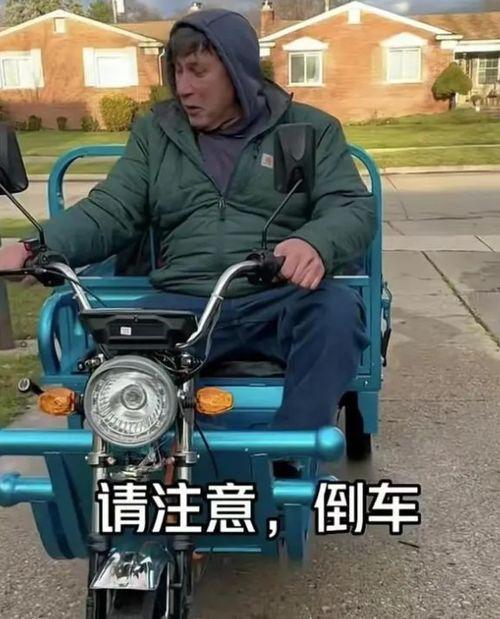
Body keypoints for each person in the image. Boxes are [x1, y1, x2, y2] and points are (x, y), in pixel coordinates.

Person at [0, 9, 375, 441]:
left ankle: (291, 455)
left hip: (278, 295)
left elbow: (351, 206)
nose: (183, 87)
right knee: (117, 346)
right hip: (184, 303)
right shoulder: (157, 134)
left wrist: (315, 242)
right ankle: (157, 459)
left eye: (198, 71)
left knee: (336, 313)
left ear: (238, 71)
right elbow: (111, 208)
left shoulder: (310, 129)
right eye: (177, 71)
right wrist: (36, 247)